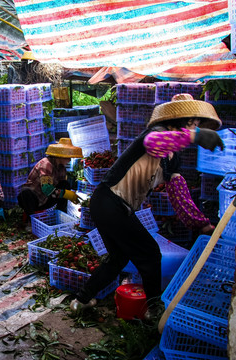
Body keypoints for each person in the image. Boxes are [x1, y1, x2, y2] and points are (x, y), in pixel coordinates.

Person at [69, 93, 225, 320]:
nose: (195, 124)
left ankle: (81, 300)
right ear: (178, 120)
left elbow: (178, 193)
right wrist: (195, 136)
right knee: (150, 253)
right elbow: (155, 142)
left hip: (116, 207)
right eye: (191, 120)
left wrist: (201, 225)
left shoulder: (172, 159)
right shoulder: (156, 134)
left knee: (118, 259)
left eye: (198, 122)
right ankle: (154, 310)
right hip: (108, 201)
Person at [17, 138, 82, 224]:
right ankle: (31, 221)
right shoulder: (46, 164)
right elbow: (46, 189)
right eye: (68, 157)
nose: (69, 160)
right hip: (35, 198)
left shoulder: (61, 169)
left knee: (65, 184)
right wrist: (65, 194)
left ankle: (60, 215)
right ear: (61, 156)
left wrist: (68, 193)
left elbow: (59, 189)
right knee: (25, 193)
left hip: (46, 199)